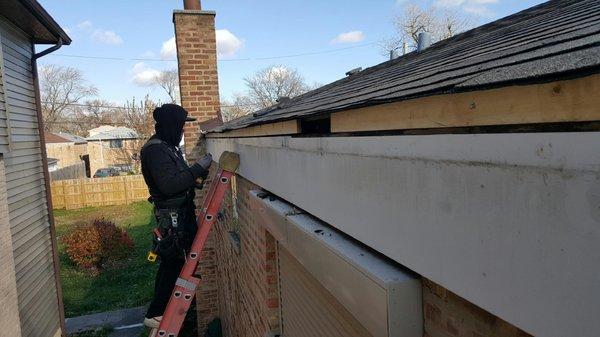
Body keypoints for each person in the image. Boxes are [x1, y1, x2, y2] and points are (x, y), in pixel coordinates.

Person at [140, 103, 212, 328]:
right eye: (180, 127)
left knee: (179, 261)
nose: (182, 131)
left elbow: (181, 176)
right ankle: (157, 311)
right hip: (173, 216)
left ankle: (164, 308)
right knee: (173, 261)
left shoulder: (168, 147)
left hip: (181, 211)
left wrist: (196, 177)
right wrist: (198, 168)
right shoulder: (155, 150)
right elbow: (170, 185)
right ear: (170, 125)